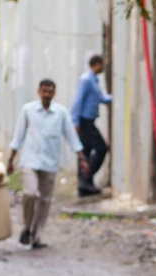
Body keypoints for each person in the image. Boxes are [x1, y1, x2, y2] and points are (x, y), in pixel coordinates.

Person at [7, 79, 88, 250]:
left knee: (44, 200)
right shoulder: (28, 110)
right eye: (44, 91)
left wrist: (82, 158)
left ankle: (36, 237)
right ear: (39, 92)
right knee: (30, 193)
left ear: (54, 93)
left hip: (50, 163)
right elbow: (18, 136)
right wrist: (10, 160)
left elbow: (71, 137)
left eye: (50, 92)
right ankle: (27, 228)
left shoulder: (61, 113)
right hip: (30, 160)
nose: (47, 95)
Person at [70, 55, 111, 197]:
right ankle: (85, 180)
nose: (104, 68)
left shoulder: (94, 80)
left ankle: (85, 186)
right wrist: (75, 122)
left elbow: (102, 98)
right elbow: (77, 101)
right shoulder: (86, 80)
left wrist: (115, 97)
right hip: (84, 122)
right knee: (101, 148)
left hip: (89, 121)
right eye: (102, 64)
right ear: (98, 64)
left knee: (86, 152)